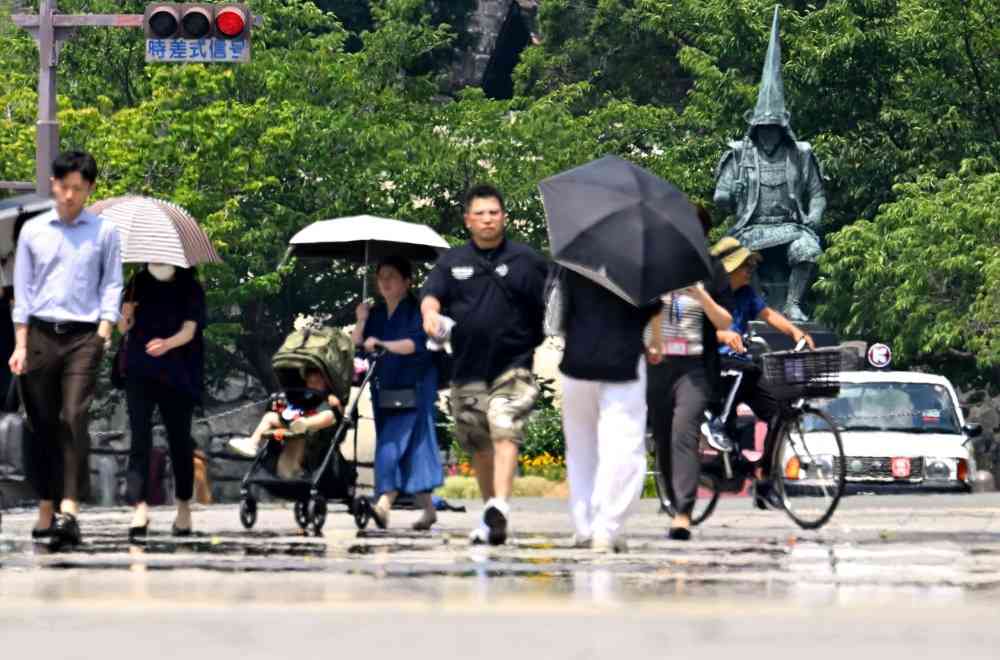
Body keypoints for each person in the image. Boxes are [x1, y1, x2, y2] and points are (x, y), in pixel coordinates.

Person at [421, 184, 547, 545]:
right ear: (468, 220)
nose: (488, 219)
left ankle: (501, 506)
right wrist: (430, 314)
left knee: (504, 425)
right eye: (480, 213)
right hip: (467, 370)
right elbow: (432, 296)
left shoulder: (527, 261)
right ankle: (491, 513)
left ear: (503, 216)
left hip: (513, 367)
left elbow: (549, 307)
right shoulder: (452, 262)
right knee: (478, 443)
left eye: (494, 212)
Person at [9, 151, 123, 547]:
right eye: (65, 187)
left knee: (73, 416)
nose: (71, 195)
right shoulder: (33, 232)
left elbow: (112, 283)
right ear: (54, 185)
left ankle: (69, 510)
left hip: (83, 337)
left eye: (79, 188)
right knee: (41, 426)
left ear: (89, 189)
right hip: (39, 336)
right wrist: (20, 344)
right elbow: (21, 292)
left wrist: (103, 332)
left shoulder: (104, 232)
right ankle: (45, 506)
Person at [559, 269, 661, 552]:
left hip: (577, 358)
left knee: (580, 448)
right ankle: (607, 526)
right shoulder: (640, 265)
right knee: (623, 446)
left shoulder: (573, 261)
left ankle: (584, 527)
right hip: (623, 360)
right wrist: (656, 341)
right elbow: (649, 310)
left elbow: (561, 313)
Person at [710, 236, 815, 507]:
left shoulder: (746, 295)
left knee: (780, 413)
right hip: (716, 367)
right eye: (744, 266)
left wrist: (795, 331)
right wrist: (722, 336)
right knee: (742, 372)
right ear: (729, 269)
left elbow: (769, 315)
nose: (749, 271)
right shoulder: (709, 295)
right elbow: (695, 327)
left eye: (749, 266)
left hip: (742, 366)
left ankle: (766, 480)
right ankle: (718, 425)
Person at [352, 256, 442, 531]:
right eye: (381, 277)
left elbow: (415, 345)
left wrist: (383, 344)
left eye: (392, 276)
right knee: (412, 450)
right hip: (386, 390)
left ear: (407, 282)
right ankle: (428, 510)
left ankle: (384, 504)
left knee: (390, 446)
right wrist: (361, 321)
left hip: (414, 389)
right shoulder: (376, 313)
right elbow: (359, 345)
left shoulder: (416, 311)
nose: (385, 281)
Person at [118, 263, 206, 539]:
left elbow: (190, 330)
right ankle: (140, 508)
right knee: (139, 439)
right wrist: (126, 315)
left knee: (179, 441)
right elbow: (123, 328)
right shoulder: (136, 282)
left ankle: (183, 506)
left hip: (178, 371)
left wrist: (167, 344)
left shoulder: (190, 285)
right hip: (140, 370)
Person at [229, 368, 341, 479]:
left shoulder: (327, 397)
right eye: (311, 383)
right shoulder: (300, 394)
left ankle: (304, 424)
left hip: (314, 428)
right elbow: (288, 408)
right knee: (269, 416)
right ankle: (253, 443)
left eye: (318, 383)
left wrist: (334, 401)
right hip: (293, 422)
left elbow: (333, 414)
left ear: (326, 384)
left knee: (328, 415)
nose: (313, 386)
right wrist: (280, 406)